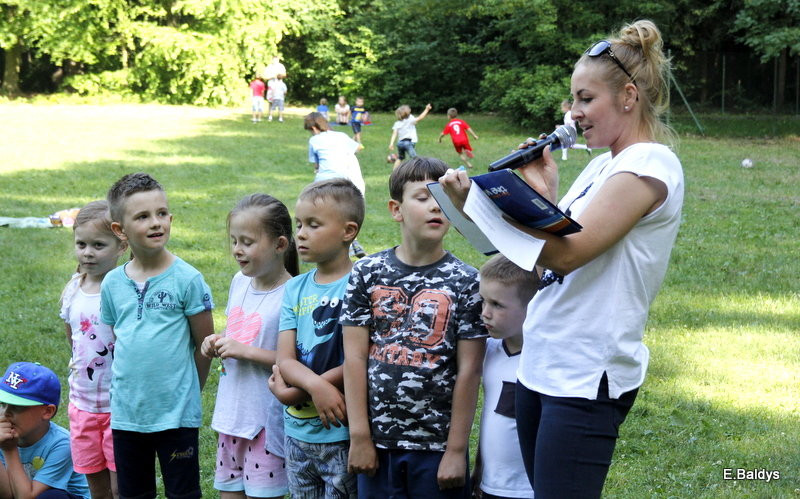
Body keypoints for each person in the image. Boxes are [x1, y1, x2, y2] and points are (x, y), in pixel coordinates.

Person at [439, 19, 684, 498]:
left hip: (586, 373)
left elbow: (568, 255)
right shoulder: (601, 166)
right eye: (573, 100)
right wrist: (542, 194)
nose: (573, 113)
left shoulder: (649, 164)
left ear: (629, 96)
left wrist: (482, 205)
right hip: (543, 362)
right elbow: (543, 263)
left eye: (585, 99)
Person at [341, 157, 487, 499]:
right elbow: (355, 358)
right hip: (377, 446)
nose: (436, 206)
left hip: (437, 449)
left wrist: (456, 450)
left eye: (444, 199)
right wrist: (359, 437)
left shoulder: (468, 282)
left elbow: (469, 370)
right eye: (423, 197)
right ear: (397, 209)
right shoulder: (367, 273)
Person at [101, 173, 215, 499]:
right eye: (142, 216)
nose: (156, 223)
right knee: (133, 494)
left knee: (183, 493)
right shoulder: (112, 284)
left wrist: (188, 391)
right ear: (120, 230)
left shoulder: (188, 279)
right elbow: (119, 341)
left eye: (162, 213)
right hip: (127, 415)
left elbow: (204, 346)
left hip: (176, 415)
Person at [268, 179, 365, 499]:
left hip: (341, 431)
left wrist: (302, 390)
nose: (301, 233)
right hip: (296, 433)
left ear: (348, 231)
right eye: (299, 224)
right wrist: (316, 387)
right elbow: (284, 359)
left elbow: (364, 358)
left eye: (313, 224)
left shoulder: (362, 284)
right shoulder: (294, 288)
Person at [200, 194, 298, 499]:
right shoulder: (239, 281)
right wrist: (215, 341)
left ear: (280, 244)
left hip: (264, 422)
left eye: (247, 242)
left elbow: (296, 361)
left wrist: (243, 351)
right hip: (231, 416)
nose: (237, 249)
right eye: (234, 241)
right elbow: (240, 333)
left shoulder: (292, 293)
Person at [59, 201, 126, 499]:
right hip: (82, 405)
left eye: (98, 245)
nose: (88, 252)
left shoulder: (125, 290)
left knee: (121, 487)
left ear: (121, 244)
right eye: (81, 244)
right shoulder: (73, 288)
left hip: (119, 407)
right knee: (96, 488)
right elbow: (72, 339)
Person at [471, 255, 538, 499]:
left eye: (497, 305)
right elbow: (492, 420)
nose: (485, 313)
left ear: (532, 307)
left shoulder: (542, 362)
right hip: (489, 485)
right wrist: (479, 471)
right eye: (483, 301)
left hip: (528, 489)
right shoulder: (488, 351)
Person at [0, 361, 91, 499]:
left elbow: (26, 497)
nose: (5, 413)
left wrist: (9, 450)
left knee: (50, 496)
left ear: (47, 411)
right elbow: (6, 495)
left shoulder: (62, 444)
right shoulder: (3, 436)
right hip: (23, 492)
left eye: (17, 407)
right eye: (2, 404)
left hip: (62, 496)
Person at [304, 112, 368, 258]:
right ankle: (353, 242)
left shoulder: (314, 140)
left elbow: (316, 165)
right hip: (354, 181)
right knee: (348, 214)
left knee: (321, 213)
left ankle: (327, 245)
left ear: (313, 128)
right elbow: (358, 148)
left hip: (327, 182)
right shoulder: (341, 135)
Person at [388, 103, 432, 169]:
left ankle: (394, 172)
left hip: (400, 143)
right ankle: (416, 171)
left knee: (400, 158)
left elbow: (394, 134)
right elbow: (420, 117)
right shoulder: (410, 120)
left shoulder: (397, 123)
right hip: (408, 142)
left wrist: (391, 143)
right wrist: (427, 109)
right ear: (408, 114)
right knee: (415, 159)